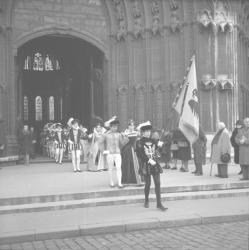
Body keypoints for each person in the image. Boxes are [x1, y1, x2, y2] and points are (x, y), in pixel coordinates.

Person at [136, 121, 167, 211]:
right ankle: (146, 200)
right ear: (142, 132)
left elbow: (158, 152)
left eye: (149, 131)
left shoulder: (153, 141)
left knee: (157, 183)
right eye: (146, 131)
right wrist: (148, 160)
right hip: (146, 164)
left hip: (154, 164)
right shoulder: (139, 142)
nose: (148, 133)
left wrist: (160, 146)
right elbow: (140, 154)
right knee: (148, 184)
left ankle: (159, 203)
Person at [103, 117, 128, 188]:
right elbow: (100, 142)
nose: (115, 128)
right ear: (110, 127)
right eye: (113, 127)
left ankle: (119, 183)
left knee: (118, 167)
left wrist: (125, 137)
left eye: (116, 127)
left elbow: (123, 143)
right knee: (110, 168)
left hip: (117, 153)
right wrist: (104, 151)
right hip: (109, 153)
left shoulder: (119, 134)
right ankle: (111, 182)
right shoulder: (106, 134)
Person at [121, 119, 143, 186]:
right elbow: (123, 143)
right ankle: (127, 181)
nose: (132, 127)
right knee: (127, 165)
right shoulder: (125, 133)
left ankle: (138, 180)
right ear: (128, 126)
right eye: (130, 125)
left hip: (134, 149)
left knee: (137, 164)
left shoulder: (136, 132)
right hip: (127, 150)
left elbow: (139, 140)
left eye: (133, 125)